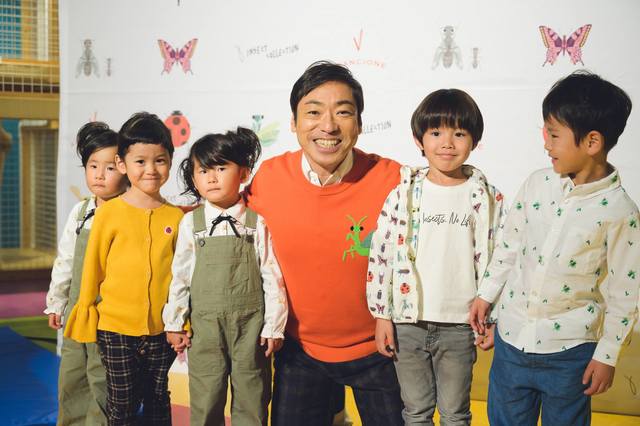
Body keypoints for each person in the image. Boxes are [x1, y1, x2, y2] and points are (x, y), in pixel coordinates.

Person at [469, 71, 640, 426]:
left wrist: (607, 355)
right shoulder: (537, 184)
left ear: (592, 142)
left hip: (571, 355)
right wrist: (486, 296)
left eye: (554, 134)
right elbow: (509, 247)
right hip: (511, 343)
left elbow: (626, 292)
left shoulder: (621, 212)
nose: (546, 143)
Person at [245, 60, 404, 425]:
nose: (328, 126)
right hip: (300, 351)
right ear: (294, 122)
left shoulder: (393, 179)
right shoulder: (269, 177)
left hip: (381, 348)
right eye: (313, 112)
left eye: (343, 112)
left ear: (359, 124)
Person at [366, 89, 505, 425]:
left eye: (459, 134)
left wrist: (493, 318)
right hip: (408, 323)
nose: (447, 143)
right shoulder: (402, 194)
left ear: (474, 141)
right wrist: (382, 315)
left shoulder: (486, 197)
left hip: (460, 324)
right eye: (436, 133)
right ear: (419, 140)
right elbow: (382, 254)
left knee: (455, 413)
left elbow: (500, 260)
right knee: (415, 411)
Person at [64, 112, 184, 425]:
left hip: (160, 329)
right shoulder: (108, 214)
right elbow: (92, 269)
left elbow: (182, 276)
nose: (151, 169)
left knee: (158, 397)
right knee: (121, 401)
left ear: (170, 161)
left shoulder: (176, 218)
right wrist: (86, 310)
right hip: (114, 328)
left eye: (160, 160)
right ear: (122, 164)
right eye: (140, 161)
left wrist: (181, 321)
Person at [163, 128, 287, 425]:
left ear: (243, 173)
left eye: (221, 168)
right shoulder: (191, 223)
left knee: (253, 398)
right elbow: (180, 277)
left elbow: (271, 275)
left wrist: (274, 326)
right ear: (194, 179)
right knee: (206, 397)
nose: (212, 178)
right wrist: (175, 322)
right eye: (203, 170)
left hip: (251, 328)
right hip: (205, 329)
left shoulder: (256, 223)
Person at [45, 122, 127, 425]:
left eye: (109, 167)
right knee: (71, 375)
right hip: (77, 310)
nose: (99, 174)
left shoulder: (128, 213)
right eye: (93, 166)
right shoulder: (81, 213)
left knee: (102, 378)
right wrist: (57, 302)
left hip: (111, 315)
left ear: (125, 169)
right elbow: (66, 259)